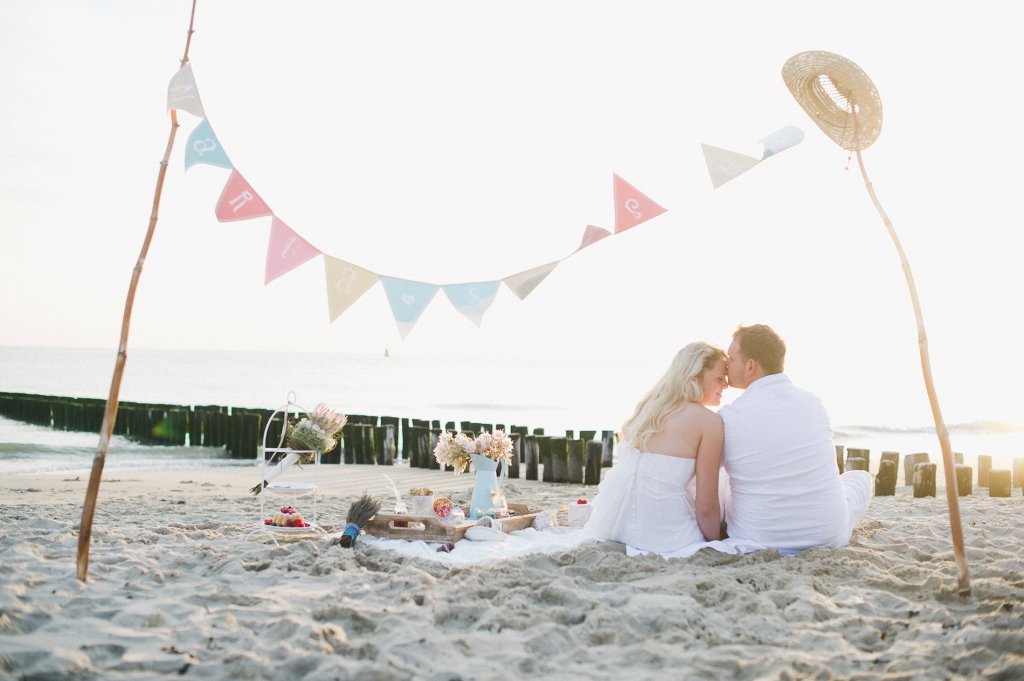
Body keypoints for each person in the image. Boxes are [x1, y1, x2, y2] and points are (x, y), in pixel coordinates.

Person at [718, 324, 871, 555]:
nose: (726, 364)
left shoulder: (729, 417)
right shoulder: (813, 403)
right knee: (861, 479)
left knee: (721, 476)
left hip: (756, 538)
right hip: (828, 535)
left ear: (750, 366)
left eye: (731, 357)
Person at [583, 341, 728, 555]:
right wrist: (717, 541)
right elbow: (706, 507)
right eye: (719, 378)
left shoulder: (648, 408)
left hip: (611, 525)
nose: (725, 385)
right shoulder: (709, 422)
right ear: (695, 376)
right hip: (666, 534)